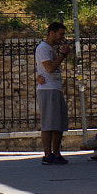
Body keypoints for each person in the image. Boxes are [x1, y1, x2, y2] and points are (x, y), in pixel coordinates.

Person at [35, 22, 72, 165]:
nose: (62, 38)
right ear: (52, 32)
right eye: (61, 34)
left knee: (58, 123)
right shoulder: (43, 48)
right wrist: (62, 55)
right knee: (49, 124)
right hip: (48, 89)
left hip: (55, 88)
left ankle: (56, 153)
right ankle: (47, 155)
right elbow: (49, 68)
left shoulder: (50, 49)